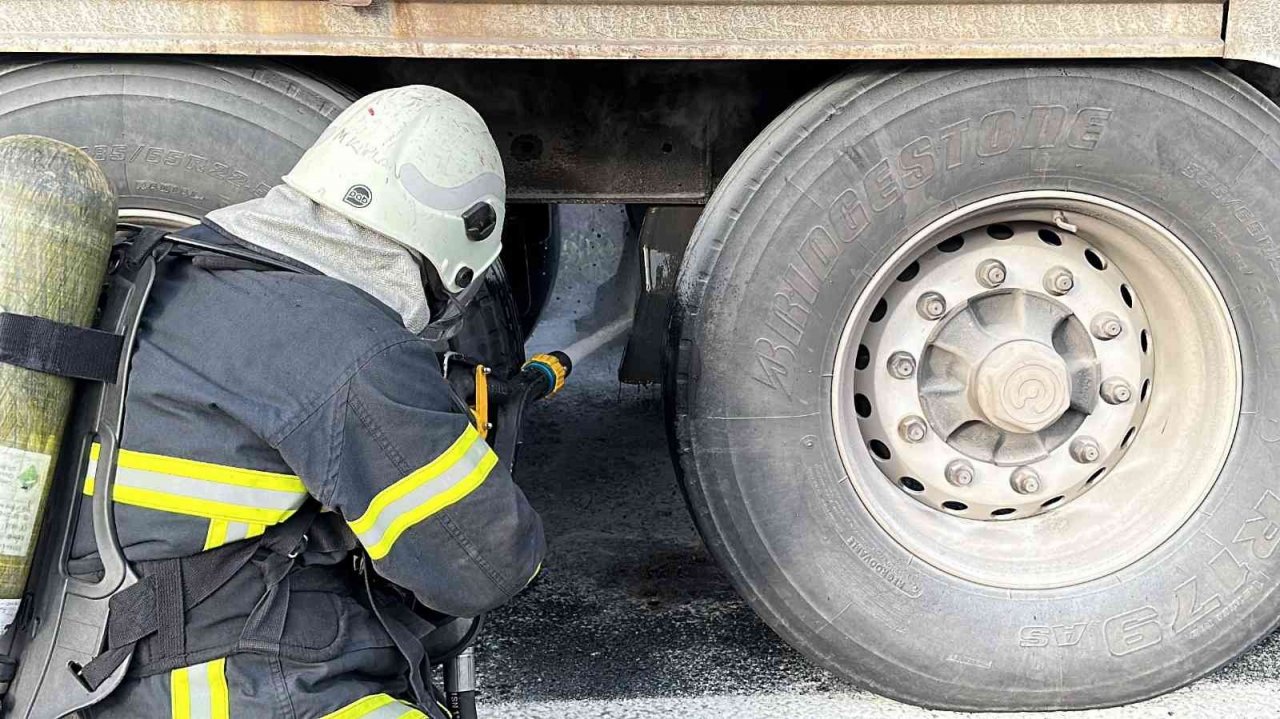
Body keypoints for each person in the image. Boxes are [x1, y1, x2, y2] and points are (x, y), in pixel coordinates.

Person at [73, 86, 545, 718]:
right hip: (210, 691)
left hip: (77, 665)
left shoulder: (170, 266)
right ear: (452, 260)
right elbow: (481, 566)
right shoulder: (353, 351)